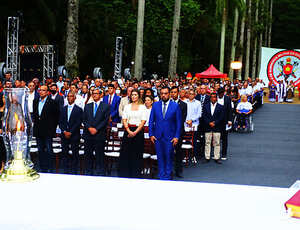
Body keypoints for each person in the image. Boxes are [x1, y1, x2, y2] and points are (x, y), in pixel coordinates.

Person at [149, 86, 182, 180]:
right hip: (158, 136)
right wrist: (151, 134)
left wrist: (176, 137)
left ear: (169, 94)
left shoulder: (175, 106)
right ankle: (161, 176)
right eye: (162, 93)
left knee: (168, 157)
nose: (163, 95)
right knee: (160, 157)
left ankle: (167, 176)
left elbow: (179, 123)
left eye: (165, 93)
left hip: (170, 137)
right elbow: (151, 120)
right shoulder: (155, 105)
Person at [119, 89, 147, 178]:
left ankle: (136, 174)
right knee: (126, 153)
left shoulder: (143, 107)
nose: (134, 96)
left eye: (135, 94)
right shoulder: (127, 106)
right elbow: (124, 119)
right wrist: (128, 130)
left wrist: (135, 132)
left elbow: (143, 121)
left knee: (136, 154)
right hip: (128, 131)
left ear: (139, 96)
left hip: (138, 131)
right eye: (132, 95)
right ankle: (125, 174)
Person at [83, 88, 110, 176]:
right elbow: (84, 119)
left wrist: (96, 129)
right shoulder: (87, 106)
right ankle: (88, 172)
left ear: (101, 95)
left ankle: (100, 173)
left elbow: (105, 120)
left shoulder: (105, 106)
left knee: (99, 155)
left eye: (96, 93)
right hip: (88, 134)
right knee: (88, 155)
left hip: (99, 134)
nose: (94, 95)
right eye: (93, 93)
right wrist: (90, 128)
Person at [32, 85, 60, 172]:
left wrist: (53, 129)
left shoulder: (52, 102)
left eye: (43, 90)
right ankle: (42, 168)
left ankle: (50, 169)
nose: (41, 92)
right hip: (38, 130)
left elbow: (56, 117)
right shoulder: (35, 101)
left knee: (49, 150)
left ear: (47, 92)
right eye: (40, 90)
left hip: (48, 130)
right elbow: (35, 116)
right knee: (40, 150)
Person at [59, 91, 83, 174]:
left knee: (75, 153)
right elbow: (60, 122)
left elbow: (78, 122)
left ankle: (74, 171)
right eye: (68, 96)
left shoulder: (79, 109)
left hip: (74, 135)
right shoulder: (63, 109)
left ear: (75, 98)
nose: (70, 98)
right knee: (64, 153)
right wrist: (64, 131)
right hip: (64, 134)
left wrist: (70, 132)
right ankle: (65, 170)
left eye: (71, 96)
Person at [202, 93, 224, 164]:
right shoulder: (206, 106)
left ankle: (216, 157)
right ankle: (207, 157)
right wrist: (209, 123)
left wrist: (215, 123)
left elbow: (221, 117)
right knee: (207, 143)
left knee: (217, 143)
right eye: (211, 97)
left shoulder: (220, 106)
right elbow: (204, 116)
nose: (213, 99)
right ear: (210, 98)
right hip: (208, 127)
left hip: (217, 127)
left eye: (214, 97)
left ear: (216, 98)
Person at [170, 86, 187, 178]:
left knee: (178, 152)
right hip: (168, 132)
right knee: (169, 152)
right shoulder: (167, 104)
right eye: (171, 92)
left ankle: (178, 171)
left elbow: (182, 119)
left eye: (175, 92)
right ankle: (169, 170)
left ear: (178, 93)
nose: (173, 94)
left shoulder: (184, 105)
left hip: (178, 132)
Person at [217, 87, 232, 161]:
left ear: (224, 93)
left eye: (221, 94)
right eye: (219, 94)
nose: (220, 95)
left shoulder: (227, 98)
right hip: (217, 121)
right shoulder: (215, 98)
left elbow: (229, 110)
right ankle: (216, 153)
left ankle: (224, 153)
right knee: (216, 138)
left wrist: (230, 120)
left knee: (224, 138)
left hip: (225, 121)